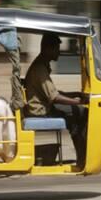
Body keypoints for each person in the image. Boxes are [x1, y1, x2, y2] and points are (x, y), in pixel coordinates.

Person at [24, 33, 85, 162]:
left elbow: (53, 92)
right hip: (40, 111)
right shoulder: (40, 68)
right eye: (56, 48)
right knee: (79, 113)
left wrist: (76, 94)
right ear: (47, 48)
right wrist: (77, 102)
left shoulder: (42, 65)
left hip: (43, 106)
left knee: (77, 111)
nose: (59, 52)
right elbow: (54, 97)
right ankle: (83, 156)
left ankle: (82, 154)